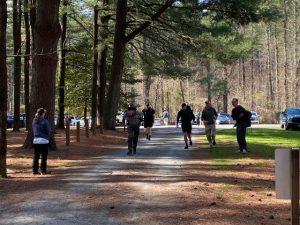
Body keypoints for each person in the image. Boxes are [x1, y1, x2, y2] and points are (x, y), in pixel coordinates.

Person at [32, 108, 51, 175]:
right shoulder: (45, 121)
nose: (44, 115)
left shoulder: (34, 121)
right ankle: (43, 171)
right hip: (44, 140)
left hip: (36, 140)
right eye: (44, 113)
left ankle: (34, 171)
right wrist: (47, 136)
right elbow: (48, 131)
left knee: (36, 156)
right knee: (44, 157)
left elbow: (33, 130)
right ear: (42, 114)